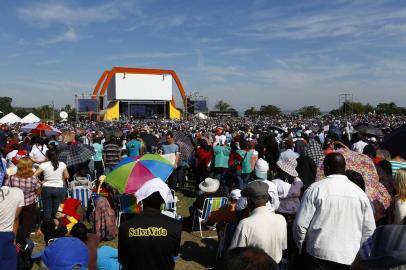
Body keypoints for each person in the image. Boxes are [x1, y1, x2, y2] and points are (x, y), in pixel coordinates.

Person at [293, 152, 376, 269]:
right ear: (343, 168)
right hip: (349, 257)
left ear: (327, 168)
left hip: (318, 254)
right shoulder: (361, 194)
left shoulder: (315, 189)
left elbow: (300, 224)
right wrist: (360, 257)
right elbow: (369, 230)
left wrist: (301, 246)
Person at [118, 191, 182, 270]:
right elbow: (174, 256)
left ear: (142, 201)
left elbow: (121, 259)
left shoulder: (125, 227)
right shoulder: (175, 226)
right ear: (162, 204)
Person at [229, 181, 287, 264]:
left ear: (249, 201)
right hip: (275, 265)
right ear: (267, 199)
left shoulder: (245, 224)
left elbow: (234, 254)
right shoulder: (281, 219)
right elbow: (283, 247)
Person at [4, 157, 41, 238]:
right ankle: (24, 242)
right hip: (29, 203)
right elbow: (38, 192)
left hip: (15, 204)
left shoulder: (11, 178)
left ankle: (14, 239)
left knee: (14, 222)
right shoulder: (34, 179)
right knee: (27, 225)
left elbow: (7, 189)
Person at [34, 150, 69, 221]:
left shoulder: (44, 165)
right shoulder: (62, 164)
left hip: (47, 188)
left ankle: (47, 227)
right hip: (59, 188)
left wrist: (41, 182)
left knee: (47, 210)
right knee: (58, 211)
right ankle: (56, 227)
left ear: (47, 156)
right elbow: (67, 176)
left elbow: (34, 175)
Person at [0, 185, 24, 269]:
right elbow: (16, 218)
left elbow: (16, 218)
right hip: (7, 235)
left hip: (7, 235)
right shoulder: (18, 192)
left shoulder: (18, 192)